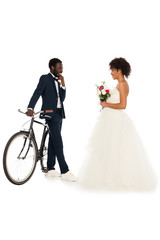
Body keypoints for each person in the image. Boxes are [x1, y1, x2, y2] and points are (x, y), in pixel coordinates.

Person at [78, 57, 157, 191]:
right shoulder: (120, 83)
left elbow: (123, 105)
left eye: (113, 70)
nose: (111, 73)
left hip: (115, 120)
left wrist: (106, 103)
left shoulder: (122, 84)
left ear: (119, 70)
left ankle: (115, 180)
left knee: (114, 148)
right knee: (111, 149)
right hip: (112, 119)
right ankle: (110, 177)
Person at [26, 58, 76, 181]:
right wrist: (30, 107)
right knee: (58, 142)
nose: (61, 70)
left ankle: (51, 168)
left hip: (59, 114)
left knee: (53, 141)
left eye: (62, 67)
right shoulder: (45, 78)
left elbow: (62, 99)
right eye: (59, 67)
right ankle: (65, 171)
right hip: (50, 114)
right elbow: (37, 93)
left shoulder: (58, 80)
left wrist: (63, 84)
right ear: (52, 67)